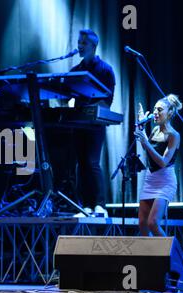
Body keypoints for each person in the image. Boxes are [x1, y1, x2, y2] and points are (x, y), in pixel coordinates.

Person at [70, 29, 116, 217]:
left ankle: (100, 205)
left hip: (95, 123)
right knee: (80, 164)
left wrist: (89, 109)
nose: (79, 46)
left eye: (83, 43)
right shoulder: (75, 71)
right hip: (79, 123)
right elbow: (67, 94)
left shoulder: (105, 70)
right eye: (79, 42)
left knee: (92, 162)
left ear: (93, 46)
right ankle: (85, 205)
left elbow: (107, 100)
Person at [134, 94, 182, 236]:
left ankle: (172, 255)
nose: (155, 112)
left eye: (160, 109)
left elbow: (162, 162)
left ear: (170, 113)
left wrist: (146, 142)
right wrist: (141, 127)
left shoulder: (173, 135)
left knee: (153, 223)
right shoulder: (155, 130)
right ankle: (151, 256)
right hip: (151, 179)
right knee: (142, 224)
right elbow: (146, 148)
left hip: (165, 181)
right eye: (154, 109)